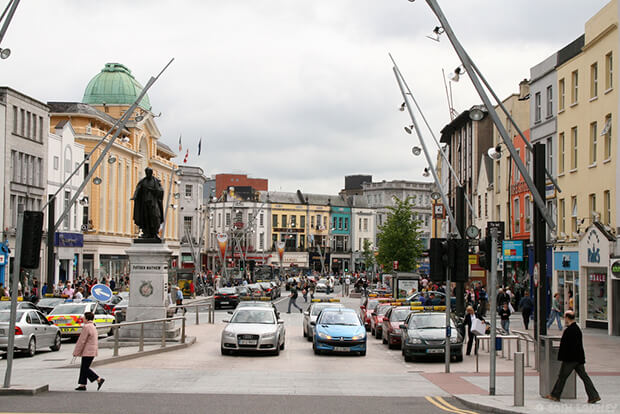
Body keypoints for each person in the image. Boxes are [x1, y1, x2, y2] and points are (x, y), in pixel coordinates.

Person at [545, 311, 600, 404]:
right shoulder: (577, 329)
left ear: (567, 317)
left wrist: (562, 356)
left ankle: (555, 395)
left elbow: (566, 346)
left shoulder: (569, 330)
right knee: (584, 377)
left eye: (565, 317)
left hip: (570, 358)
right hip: (578, 358)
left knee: (562, 376)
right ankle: (593, 396)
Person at [73, 312, 105, 391]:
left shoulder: (86, 327)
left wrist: (76, 352)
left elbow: (82, 340)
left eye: (84, 317)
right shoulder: (93, 326)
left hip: (87, 350)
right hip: (92, 350)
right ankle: (82, 385)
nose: (83, 319)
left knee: (85, 368)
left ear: (86, 318)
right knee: (84, 367)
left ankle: (98, 379)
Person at [131, 167, 164, 240]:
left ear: (151, 173)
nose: (148, 174)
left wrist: (154, 190)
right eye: (147, 173)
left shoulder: (156, 181)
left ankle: (155, 233)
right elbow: (138, 189)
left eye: (149, 173)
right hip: (145, 204)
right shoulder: (143, 181)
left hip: (153, 203)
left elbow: (161, 190)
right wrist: (135, 196)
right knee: (145, 218)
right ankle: (146, 233)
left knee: (155, 217)